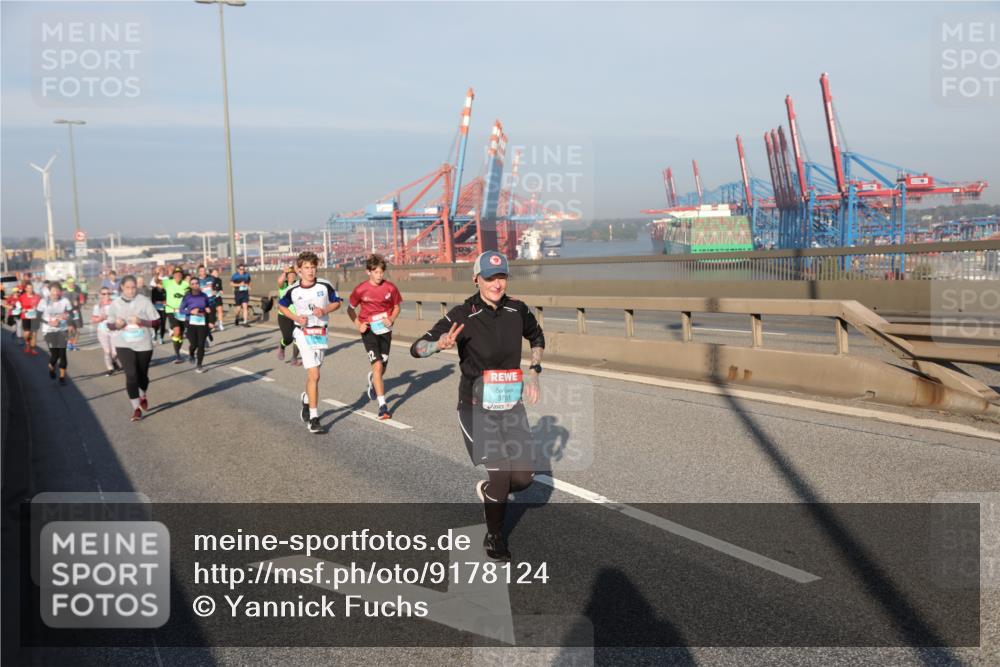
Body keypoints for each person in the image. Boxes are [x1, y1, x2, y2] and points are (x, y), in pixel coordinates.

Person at [410, 251, 545, 561]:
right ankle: (495, 536)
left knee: (523, 479)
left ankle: (488, 493)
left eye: (501, 277)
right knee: (500, 474)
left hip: (510, 406)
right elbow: (417, 348)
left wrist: (534, 372)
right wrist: (438, 345)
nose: (496, 284)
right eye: (489, 278)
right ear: (476, 279)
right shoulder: (462, 314)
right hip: (475, 407)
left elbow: (537, 336)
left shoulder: (517, 309)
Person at [277, 252, 341, 434]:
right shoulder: (293, 290)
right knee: (315, 374)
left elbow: (337, 302)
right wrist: (296, 317)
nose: (310, 271)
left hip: (320, 333)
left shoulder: (324, 285)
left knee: (315, 373)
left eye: (313, 267)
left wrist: (325, 309)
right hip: (302, 333)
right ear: (299, 270)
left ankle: (306, 399)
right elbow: (281, 305)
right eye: (306, 267)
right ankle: (314, 418)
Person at [347, 254, 402, 420]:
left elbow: (397, 307)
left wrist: (391, 319)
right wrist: (358, 324)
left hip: (385, 330)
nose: (379, 275)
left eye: (381, 272)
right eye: (376, 272)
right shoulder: (360, 289)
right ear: (368, 272)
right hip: (369, 330)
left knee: (382, 367)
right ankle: (383, 406)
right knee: (377, 365)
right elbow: (350, 309)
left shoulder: (390, 288)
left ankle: (373, 379)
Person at [104, 275, 160, 422]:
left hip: (144, 344)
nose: (131, 290)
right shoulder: (115, 304)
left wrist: (141, 321)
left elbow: (156, 322)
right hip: (123, 343)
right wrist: (116, 325)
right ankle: (136, 408)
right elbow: (109, 324)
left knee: (142, 376)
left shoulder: (144, 301)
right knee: (131, 374)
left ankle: (143, 395)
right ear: (122, 287)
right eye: (128, 288)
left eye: (133, 287)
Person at [38, 282, 73, 385]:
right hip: (48, 330)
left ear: (60, 292)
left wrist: (68, 318)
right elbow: (37, 316)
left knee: (62, 353)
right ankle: (51, 367)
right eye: (54, 290)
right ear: (49, 291)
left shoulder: (65, 301)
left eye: (58, 290)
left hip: (62, 329)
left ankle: (62, 377)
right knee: (55, 355)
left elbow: (72, 313)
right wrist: (48, 322)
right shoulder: (43, 301)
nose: (56, 293)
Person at [179, 276, 212, 373]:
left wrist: (208, 311)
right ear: (190, 285)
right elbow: (181, 310)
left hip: (202, 322)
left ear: (199, 284)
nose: (195, 285)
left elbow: (208, 307)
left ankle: (199, 365)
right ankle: (191, 354)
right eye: (192, 284)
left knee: (201, 344)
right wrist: (191, 311)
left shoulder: (204, 295)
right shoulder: (187, 296)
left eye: (196, 283)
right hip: (190, 322)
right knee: (193, 344)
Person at [91, 286, 121, 376]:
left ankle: (114, 361)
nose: (106, 295)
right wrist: (101, 318)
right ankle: (110, 368)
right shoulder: (97, 306)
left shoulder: (115, 304)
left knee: (116, 352)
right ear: (100, 295)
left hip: (114, 330)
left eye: (108, 293)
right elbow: (93, 319)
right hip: (102, 331)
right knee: (107, 351)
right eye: (104, 294)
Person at [162, 267, 190, 363]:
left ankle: (177, 350)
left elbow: (190, 295)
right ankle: (177, 354)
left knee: (181, 334)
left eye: (179, 274)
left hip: (182, 312)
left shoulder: (186, 284)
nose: (178, 276)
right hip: (171, 310)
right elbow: (157, 285)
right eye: (176, 274)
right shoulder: (167, 283)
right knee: (177, 330)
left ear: (182, 275)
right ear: (173, 275)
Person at [275, 268, 301, 366]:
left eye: (293, 274)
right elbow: (279, 281)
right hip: (284, 315)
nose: (292, 276)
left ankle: (294, 359)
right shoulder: (284, 285)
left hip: (297, 316)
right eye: (290, 274)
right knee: (288, 338)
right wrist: (285, 272)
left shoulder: (298, 285)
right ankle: (282, 347)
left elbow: (308, 282)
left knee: (298, 338)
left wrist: (299, 271)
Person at [18, 282, 42, 355]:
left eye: (31, 288)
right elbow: (18, 305)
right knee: (27, 333)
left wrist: (37, 309)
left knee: (34, 334)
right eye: (28, 288)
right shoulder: (22, 297)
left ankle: (33, 349)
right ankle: (27, 343)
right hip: (26, 316)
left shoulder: (37, 297)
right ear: (25, 289)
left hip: (35, 317)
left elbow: (41, 306)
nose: (30, 289)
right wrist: (22, 309)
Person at [62, 277, 86, 351]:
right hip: (68, 313)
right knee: (70, 328)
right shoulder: (64, 293)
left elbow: (82, 301)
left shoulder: (78, 291)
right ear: (67, 284)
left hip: (76, 312)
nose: (72, 284)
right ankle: (69, 344)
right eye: (70, 283)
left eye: (73, 283)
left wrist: (78, 303)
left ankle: (74, 344)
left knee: (77, 330)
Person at [150, 275, 167, 344]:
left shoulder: (165, 291)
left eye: (162, 284)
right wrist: (160, 302)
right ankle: (155, 333)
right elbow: (153, 300)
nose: (162, 286)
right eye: (160, 284)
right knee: (157, 323)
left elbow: (167, 299)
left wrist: (166, 302)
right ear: (157, 284)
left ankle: (161, 337)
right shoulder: (153, 291)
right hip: (156, 308)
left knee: (163, 324)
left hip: (163, 308)